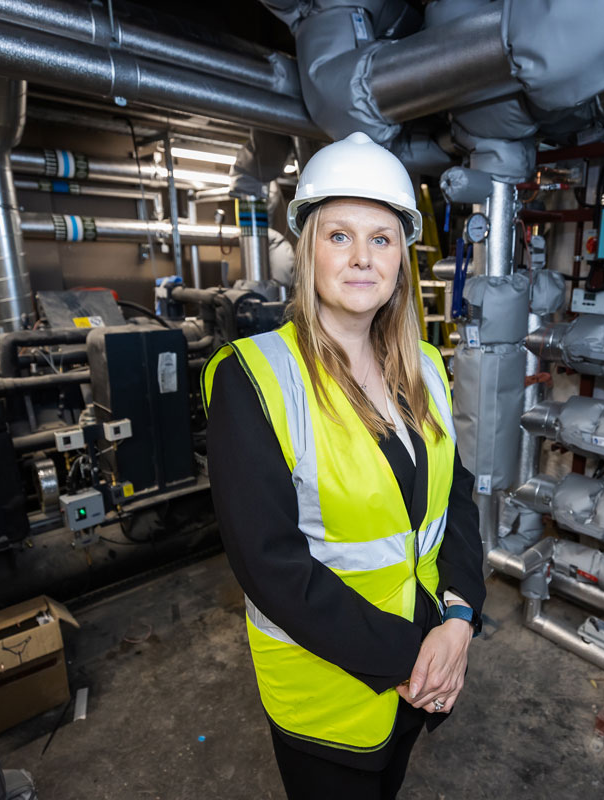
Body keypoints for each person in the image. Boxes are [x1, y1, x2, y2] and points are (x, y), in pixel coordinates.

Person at [201, 131, 486, 800]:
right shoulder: (254, 379)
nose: (362, 258)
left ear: (402, 258)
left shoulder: (424, 366)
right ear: (307, 250)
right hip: (331, 692)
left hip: (421, 671)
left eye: (381, 239)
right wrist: (413, 658)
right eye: (339, 236)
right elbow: (269, 563)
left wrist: (460, 616)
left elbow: (457, 499)